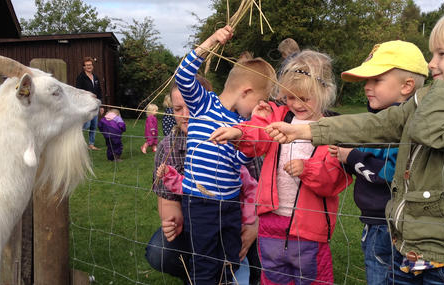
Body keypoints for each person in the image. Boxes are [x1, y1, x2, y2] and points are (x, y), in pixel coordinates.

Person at [264, 7, 444, 285]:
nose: (431, 64)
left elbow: (431, 130)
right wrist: (304, 129)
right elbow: (375, 124)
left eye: (441, 54)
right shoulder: (426, 101)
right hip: (406, 247)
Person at [210, 50, 353, 284]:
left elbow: (332, 181)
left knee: (313, 277)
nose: (295, 104)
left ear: (325, 91)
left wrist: (307, 169)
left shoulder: (332, 130)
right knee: (273, 276)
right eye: (289, 97)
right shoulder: (279, 116)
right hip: (270, 222)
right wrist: (238, 132)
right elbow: (258, 132)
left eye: (304, 98)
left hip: (310, 229)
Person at [176, 25, 275, 284]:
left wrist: (253, 126)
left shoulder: (241, 125)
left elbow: (239, 160)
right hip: (201, 202)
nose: (258, 107)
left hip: (230, 203)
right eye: (259, 101)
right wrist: (211, 41)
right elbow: (183, 76)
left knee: (230, 258)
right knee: (205, 263)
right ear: (246, 92)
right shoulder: (203, 104)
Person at [328, 40, 428, 285]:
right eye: (366, 81)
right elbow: (365, 160)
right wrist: (346, 156)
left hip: (389, 225)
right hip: (376, 222)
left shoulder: (404, 128)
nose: (367, 87)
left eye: (376, 80)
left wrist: (350, 157)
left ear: (407, 86)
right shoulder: (374, 122)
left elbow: (388, 174)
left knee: (383, 275)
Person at [145, 77, 261, 285]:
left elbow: (260, 190)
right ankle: (198, 273)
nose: (186, 115)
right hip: (196, 220)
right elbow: (168, 204)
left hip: (238, 218)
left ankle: (240, 272)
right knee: (160, 251)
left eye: (191, 107)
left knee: (253, 251)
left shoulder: (237, 133)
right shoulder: (168, 146)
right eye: (178, 108)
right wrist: (172, 221)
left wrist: (255, 226)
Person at [76, 56, 103, 150]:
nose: (89, 66)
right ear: (84, 67)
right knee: (86, 124)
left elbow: (99, 91)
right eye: (87, 65)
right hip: (86, 106)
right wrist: (89, 94)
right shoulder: (81, 77)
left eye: (90, 65)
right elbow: (78, 91)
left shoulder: (95, 77)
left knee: (94, 125)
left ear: (92, 66)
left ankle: (91, 144)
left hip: (96, 105)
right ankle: (77, 141)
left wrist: (101, 105)